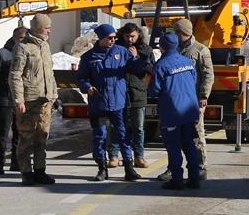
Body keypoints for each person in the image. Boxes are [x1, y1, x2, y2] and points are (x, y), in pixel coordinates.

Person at [77, 23, 145, 182]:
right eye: (109, 38)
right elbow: (81, 77)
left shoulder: (122, 52)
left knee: (123, 135)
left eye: (115, 37)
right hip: (98, 103)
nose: (113, 40)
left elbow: (136, 69)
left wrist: (137, 58)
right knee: (100, 136)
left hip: (118, 102)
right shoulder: (88, 57)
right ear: (100, 38)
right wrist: (87, 87)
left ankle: (129, 168)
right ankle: (102, 168)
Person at [150, 32, 203, 190]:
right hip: (189, 110)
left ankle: (177, 179)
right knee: (189, 145)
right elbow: (194, 81)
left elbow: (155, 90)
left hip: (172, 112)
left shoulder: (161, 65)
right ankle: (194, 178)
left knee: (173, 146)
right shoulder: (187, 62)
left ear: (162, 47)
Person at [9, 14, 58, 186]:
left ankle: (40, 170)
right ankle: (26, 172)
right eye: (47, 28)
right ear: (38, 28)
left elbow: (49, 73)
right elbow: (15, 75)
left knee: (42, 137)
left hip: (45, 100)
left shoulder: (45, 46)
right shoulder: (23, 48)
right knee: (26, 138)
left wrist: (54, 94)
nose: (49, 30)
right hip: (29, 100)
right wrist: (19, 100)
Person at [173, 18, 214, 179]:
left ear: (184, 33)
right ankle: (175, 167)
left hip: (193, 100)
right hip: (177, 100)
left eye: (177, 32)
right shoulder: (175, 49)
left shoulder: (201, 50)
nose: (175, 35)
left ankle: (200, 166)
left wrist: (204, 95)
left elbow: (208, 75)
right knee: (175, 136)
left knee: (197, 134)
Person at [106, 23, 150, 169]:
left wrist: (136, 57)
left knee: (138, 128)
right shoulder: (115, 49)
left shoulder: (145, 49)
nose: (130, 39)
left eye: (133, 36)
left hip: (138, 93)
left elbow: (149, 69)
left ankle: (139, 156)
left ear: (138, 34)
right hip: (119, 93)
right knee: (117, 126)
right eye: (127, 36)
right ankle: (113, 156)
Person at [0, 26, 27, 175]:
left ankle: (16, 162)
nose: (23, 41)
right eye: (21, 38)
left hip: (21, 100)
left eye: (25, 38)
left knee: (19, 133)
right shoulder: (2, 54)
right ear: (14, 37)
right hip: (5, 100)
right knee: (2, 132)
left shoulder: (26, 53)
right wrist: (2, 89)